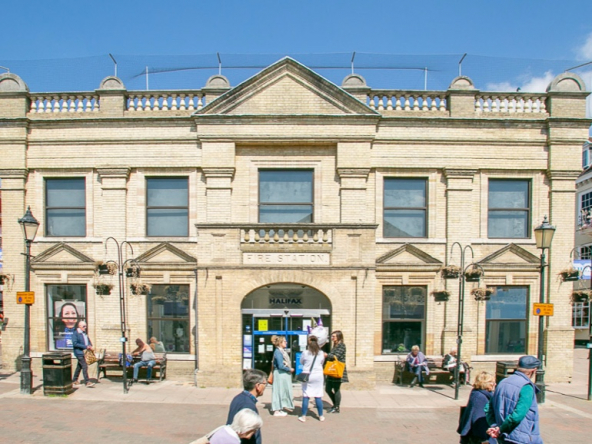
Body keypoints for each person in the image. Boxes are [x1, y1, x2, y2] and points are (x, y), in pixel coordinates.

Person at [485, 355, 543, 444]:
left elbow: (488, 408)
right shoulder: (526, 387)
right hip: (521, 438)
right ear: (533, 371)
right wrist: (500, 429)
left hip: (503, 437)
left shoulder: (502, 382)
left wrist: (495, 426)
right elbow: (518, 415)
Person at [227, 369, 267, 444]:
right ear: (258, 386)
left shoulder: (238, 398)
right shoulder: (248, 406)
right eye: (264, 384)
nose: (265, 387)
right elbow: (246, 435)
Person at [457, 371, 496, 444]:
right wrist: (485, 439)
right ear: (485, 383)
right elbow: (478, 420)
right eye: (491, 381)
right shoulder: (480, 397)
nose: (494, 384)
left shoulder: (478, 393)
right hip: (480, 437)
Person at [298, 335, 325, 422]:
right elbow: (322, 362)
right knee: (318, 396)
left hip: (308, 375)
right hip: (318, 375)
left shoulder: (305, 352)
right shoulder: (321, 353)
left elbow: (301, 362)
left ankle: (303, 416)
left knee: (306, 395)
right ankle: (321, 416)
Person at [324, 330, 348, 414]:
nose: (332, 338)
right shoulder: (335, 345)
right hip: (332, 371)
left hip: (337, 371)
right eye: (332, 336)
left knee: (336, 389)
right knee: (327, 389)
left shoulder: (341, 346)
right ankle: (335, 404)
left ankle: (337, 407)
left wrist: (327, 355)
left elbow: (336, 356)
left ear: (338, 337)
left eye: (333, 336)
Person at [270, 335, 294, 417]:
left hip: (282, 374)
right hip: (279, 374)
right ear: (280, 343)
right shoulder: (278, 352)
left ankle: (280, 408)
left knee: (282, 391)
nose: (286, 342)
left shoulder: (281, 351)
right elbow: (280, 365)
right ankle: (276, 410)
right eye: (284, 341)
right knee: (278, 391)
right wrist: (289, 369)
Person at [71, 320, 95, 387]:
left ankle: (74, 380)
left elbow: (88, 341)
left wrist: (90, 345)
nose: (85, 327)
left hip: (85, 353)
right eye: (84, 326)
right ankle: (87, 381)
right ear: (79, 326)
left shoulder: (84, 333)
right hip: (79, 353)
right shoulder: (76, 333)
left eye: (86, 326)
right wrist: (85, 346)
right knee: (84, 366)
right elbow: (75, 343)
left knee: (79, 366)